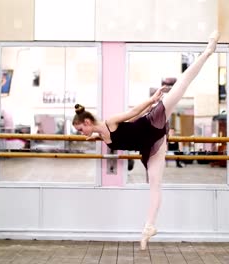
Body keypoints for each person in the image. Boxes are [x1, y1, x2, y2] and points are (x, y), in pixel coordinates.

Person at [72, 30, 220, 250]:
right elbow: (100, 137)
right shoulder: (99, 134)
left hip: (152, 122)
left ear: (86, 122)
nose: (80, 133)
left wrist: (152, 100)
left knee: (181, 86)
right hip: (151, 146)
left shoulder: (109, 123)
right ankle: (149, 227)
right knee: (155, 184)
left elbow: (132, 113)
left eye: (79, 129)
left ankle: (208, 50)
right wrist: (92, 137)